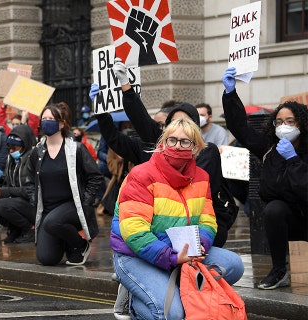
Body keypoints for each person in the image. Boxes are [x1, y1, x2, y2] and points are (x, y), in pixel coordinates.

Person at [111, 118, 244, 319]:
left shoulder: (202, 177)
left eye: (185, 141)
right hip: (135, 255)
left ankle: (170, 286)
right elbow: (134, 232)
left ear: (196, 148)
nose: (177, 146)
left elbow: (207, 221)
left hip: (183, 252)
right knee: (171, 315)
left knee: (234, 265)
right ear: (162, 144)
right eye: (172, 140)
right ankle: (133, 301)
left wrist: (201, 246)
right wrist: (171, 257)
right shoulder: (141, 175)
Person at [111, 59, 237, 248]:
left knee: (231, 264)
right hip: (164, 226)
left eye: (186, 123)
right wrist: (126, 87)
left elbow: (202, 198)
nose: (179, 132)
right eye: (173, 124)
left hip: (195, 221)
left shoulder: (207, 152)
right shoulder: (163, 145)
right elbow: (141, 119)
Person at [222, 66, 308, 290]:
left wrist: (294, 161)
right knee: (274, 209)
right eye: (279, 122)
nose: (283, 126)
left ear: (301, 123)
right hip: (290, 220)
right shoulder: (270, 149)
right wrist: (230, 93)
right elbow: (240, 128)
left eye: (290, 121)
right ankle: (279, 270)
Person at [24, 103, 104, 266]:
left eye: (51, 119)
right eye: (44, 119)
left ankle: (81, 245)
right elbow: (29, 181)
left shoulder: (77, 149)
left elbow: (95, 177)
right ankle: (66, 241)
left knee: (53, 222)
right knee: (47, 259)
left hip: (72, 206)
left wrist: (86, 201)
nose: (46, 122)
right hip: (47, 210)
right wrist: (34, 200)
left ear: (61, 123)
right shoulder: (37, 152)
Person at [0, 125, 37, 244]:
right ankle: (15, 229)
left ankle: (30, 229)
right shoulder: (11, 160)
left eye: (15, 147)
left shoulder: (32, 159)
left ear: (24, 146)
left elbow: (30, 191)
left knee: (2, 205)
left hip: (32, 204)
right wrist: (0, 190)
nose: (11, 151)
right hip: (17, 201)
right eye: (9, 148)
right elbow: (9, 182)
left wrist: (5, 192)